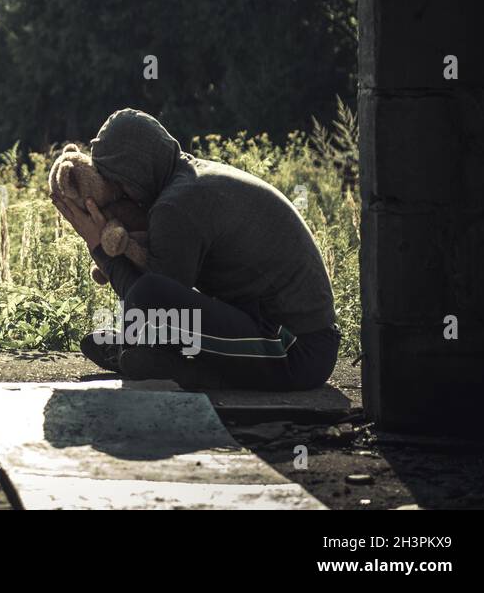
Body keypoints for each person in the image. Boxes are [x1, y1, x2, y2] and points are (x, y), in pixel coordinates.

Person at [57, 108, 339, 391]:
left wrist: (99, 247)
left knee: (147, 295)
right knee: (152, 302)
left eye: (119, 186)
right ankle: (150, 358)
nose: (120, 198)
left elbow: (151, 306)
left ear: (136, 172)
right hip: (286, 334)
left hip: (296, 352)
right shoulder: (187, 178)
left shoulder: (176, 206)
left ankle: (172, 367)